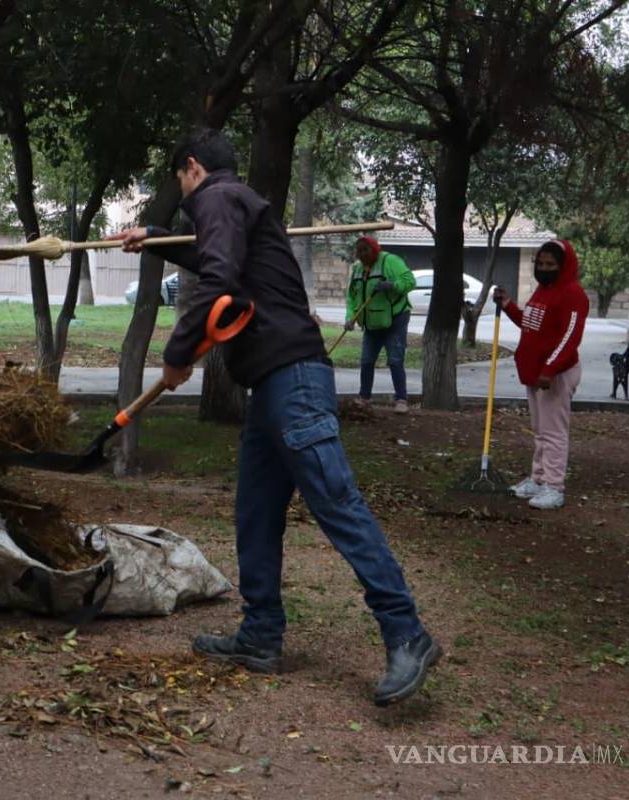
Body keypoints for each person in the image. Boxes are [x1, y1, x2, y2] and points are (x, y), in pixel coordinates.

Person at [107, 128, 439, 706]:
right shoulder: (236, 202)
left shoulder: (215, 198)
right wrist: (156, 238)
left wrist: (179, 353)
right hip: (271, 388)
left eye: (178, 180)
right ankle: (261, 634)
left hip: (294, 381)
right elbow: (217, 256)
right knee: (255, 514)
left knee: (336, 502)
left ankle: (407, 632)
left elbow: (217, 279)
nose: (182, 192)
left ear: (192, 168)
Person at [493, 240, 588, 510]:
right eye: (541, 263)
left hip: (555, 375)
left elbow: (570, 337)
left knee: (553, 432)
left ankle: (554, 487)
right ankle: (538, 479)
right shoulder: (544, 290)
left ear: (563, 266)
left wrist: (550, 369)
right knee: (540, 431)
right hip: (535, 373)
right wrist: (508, 304)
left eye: (550, 264)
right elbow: (531, 323)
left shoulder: (572, 294)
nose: (544, 269)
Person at [344, 236, 415, 413]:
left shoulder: (390, 261)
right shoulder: (358, 269)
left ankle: (401, 400)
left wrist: (392, 285)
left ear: (374, 249)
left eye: (365, 250)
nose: (362, 254)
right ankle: (364, 398)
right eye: (359, 251)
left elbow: (410, 281)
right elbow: (352, 297)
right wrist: (350, 317)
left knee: (395, 360)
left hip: (395, 319)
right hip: (372, 324)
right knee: (366, 360)